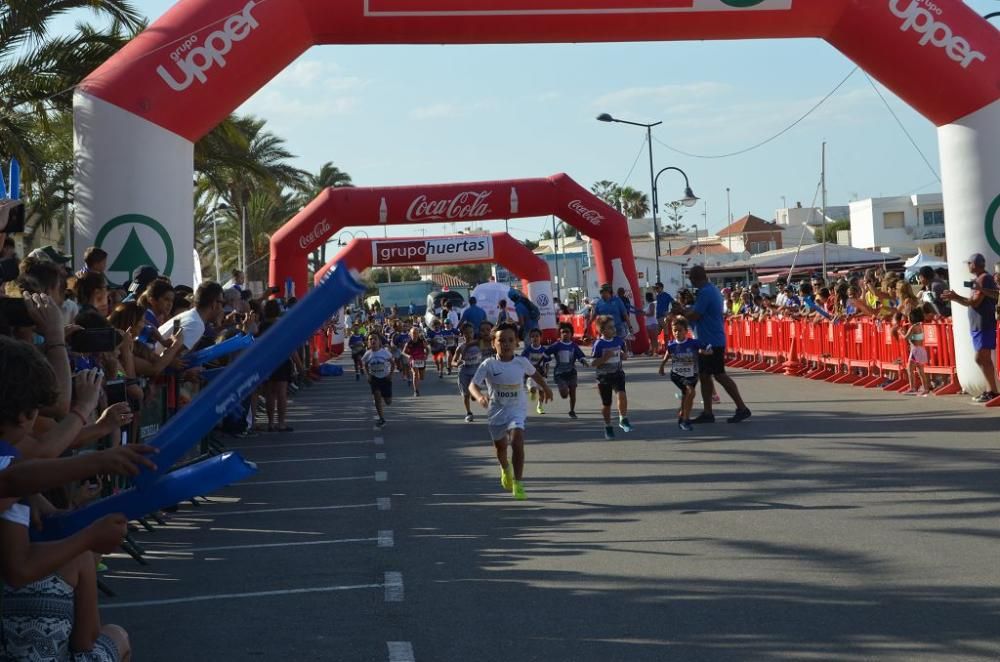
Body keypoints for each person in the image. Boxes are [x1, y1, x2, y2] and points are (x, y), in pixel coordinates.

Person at [468, 324, 553, 500]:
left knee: (517, 441)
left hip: (517, 409)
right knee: (501, 448)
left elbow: (535, 374)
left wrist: (545, 387)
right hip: (496, 411)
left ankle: (518, 483)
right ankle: (505, 468)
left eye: (510, 340)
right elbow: (473, 385)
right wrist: (480, 397)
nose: (506, 344)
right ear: (493, 343)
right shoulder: (488, 364)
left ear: (516, 343)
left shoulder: (521, 362)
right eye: (501, 340)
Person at [684, 265, 752, 423]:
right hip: (707, 340)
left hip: (711, 341)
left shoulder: (705, 292)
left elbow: (695, 314)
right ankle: (708, 412)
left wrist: (681, 313)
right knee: (705, 376)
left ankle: (742, 408)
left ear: (695, 278)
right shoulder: (711, 290)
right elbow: (697, 311)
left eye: (691, 279)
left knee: (719, 374)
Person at [942, 253, 999, 403]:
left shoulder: (984, 279)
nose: (967, 266)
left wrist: (955, 297)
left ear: (975, 264)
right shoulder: (978, 280)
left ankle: (993, 391)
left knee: (982, 358)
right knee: (981, 358)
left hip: (984, 324)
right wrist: (956, 297)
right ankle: (990, 390)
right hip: (978, 324)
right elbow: (971, 301)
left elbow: (975, 302)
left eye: (969, 263)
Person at [591, 316, 631, 440]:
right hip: (604, 377)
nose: (614, 329)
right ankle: (607, 426)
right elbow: (593, 363)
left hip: (618, 374)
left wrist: (624, 355)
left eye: (614, 326)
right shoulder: (599, 344)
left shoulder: (619, 341)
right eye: (610, 327)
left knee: (622, 395)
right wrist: (604, 358)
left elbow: (624, 355)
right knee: (606, 404)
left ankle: (623, 418)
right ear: (602, 330)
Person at [658, 317, 701, 431]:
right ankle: (685, 420)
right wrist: (662, 366)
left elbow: (706, 348)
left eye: (680, 330)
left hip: (692, 375)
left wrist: (706, 351)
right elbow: (667, 354)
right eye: (674, 330)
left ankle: (682, 414)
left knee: (688, 395)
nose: (677, 333)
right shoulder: (672, 345)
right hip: (678, 375)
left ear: (686, 331)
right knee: (690, 392)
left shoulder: (693, 343)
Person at [545, 321, 588, 418]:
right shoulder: (556, 345)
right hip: (560, 374)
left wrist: (583, 361)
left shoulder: (573, 346)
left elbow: (580, 355)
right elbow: (545, 354)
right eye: (563, 332)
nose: (565, 334)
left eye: (567, 332)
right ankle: (564, 389)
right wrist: (542, 363)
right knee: (564, 394)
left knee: (573, 392)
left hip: (572, 373)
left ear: (571, 334)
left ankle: (572, 411)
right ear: (559, 334)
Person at [452, 323, 483, 422]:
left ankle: (474, 394)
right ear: (462, 335)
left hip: (476, 369)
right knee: (465, 394)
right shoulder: (460, 347)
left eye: (471, 332)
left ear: (474, 333)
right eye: (466, 333)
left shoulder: (478, 344)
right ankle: (469, 413)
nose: (469, 335)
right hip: (464, 371)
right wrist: (457, 363)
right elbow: (452, 362)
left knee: (475, 388)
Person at [362, 333, 394, 427]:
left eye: (375, 339)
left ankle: (382, 397)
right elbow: (365, 364)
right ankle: (382, 418)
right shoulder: (368, 354)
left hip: (385, 378)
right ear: (368, 342)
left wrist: (391, 374)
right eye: (370, 339)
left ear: (379, 342)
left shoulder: (384, 352)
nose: (373, 341)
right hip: (374, 378)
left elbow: (392, 363)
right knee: (377, 396)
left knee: (388, 402)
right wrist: (368, 375)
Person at [900, 308, 931, 396]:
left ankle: (912, 387)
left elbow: (906, 337)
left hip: (915, 350)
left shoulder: (913, 327)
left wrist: (901, 333)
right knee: (920, 370)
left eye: (909, 317)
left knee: (909, 368)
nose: (908, 319)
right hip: (921, 349)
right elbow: (913, 338)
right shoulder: (920, 326)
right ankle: (925, 388)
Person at [521, 328, 549, 415]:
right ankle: (532, 392)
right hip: (531, 374)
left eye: (537, 336)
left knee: (542, 391)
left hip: (541, 374)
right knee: (533, 389)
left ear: (540, 337)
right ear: (530, 338)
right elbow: (522, 362)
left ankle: (539, 407)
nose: (535, 338)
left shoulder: (544, 350)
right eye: (533, 336)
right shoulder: (527, 350)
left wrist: (546, 373)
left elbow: (547, 363)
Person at [402, 327, 429, 397]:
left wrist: (426, 355)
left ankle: (417, 381)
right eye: (413, 333)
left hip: (421, 360)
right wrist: (408, 356)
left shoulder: (422, 341)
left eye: (416, 333)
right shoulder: (408, 343)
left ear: (418, 334)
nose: (415, 335)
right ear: (410, 334)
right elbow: (403, 352)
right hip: (413, 360)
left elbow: (427, 349)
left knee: (421, 377)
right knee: (415, 374)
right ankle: (416, 391)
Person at [644, 292, 659, 356]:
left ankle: (656, 351)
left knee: (654, 338)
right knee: (651, 338)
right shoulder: (648, 304)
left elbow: (652, 314)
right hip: (648, 323)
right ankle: (653, 351)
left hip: (652, 323)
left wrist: (644, 314)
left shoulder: (652, 304)